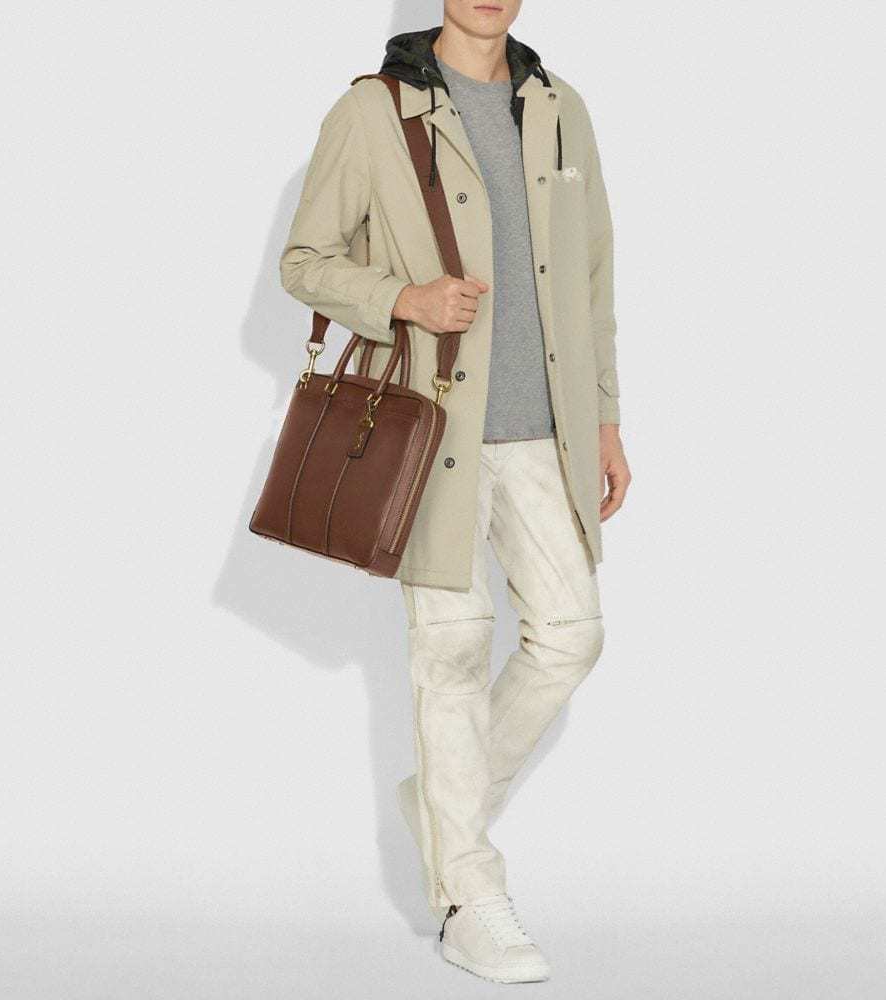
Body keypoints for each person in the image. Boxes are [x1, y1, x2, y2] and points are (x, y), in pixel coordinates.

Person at [279, 0, 630, 984]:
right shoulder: (375, 110)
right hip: (433, 428)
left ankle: (441, 806)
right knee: (453, 649)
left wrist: (604, 418)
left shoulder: (560, 108)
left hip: (545, 430)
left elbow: (592, 280)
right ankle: (468, 898)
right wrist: (402, 299)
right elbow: (304, 261)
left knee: (571, 634)